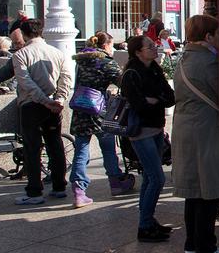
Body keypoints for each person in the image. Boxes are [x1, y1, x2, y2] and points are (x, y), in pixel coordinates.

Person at [171, 15, 219, 253]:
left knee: (195, 194)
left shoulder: (185, 59)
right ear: (208, 37)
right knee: (210, 194)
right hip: (207, 132)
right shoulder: (208, 62)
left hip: (188, 129)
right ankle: (206, 250)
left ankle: (192, 245)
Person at [68, 32, 135, 207]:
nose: (112, 49)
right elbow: (124, 82)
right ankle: (116, 182)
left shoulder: (81, 61)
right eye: (111, 45)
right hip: (99, 111)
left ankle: (78, 190)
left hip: (81, 109)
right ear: (105, 46)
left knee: (81, 150)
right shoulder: (105, 62)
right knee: (108, 148)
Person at [10, 19, 73, 205]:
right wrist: (59, 99)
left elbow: (25, 83)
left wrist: (45, 101)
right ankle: (59, 186)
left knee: (32, 148)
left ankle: (34, 192)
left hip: (32, 105)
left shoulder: (21, 54)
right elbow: (67, 78)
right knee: (55, 144)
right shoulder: (57, 53)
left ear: (24, 33)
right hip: (53, 105)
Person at [122, 34, 176, 241]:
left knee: (149, 177)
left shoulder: (155, 70)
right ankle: (144, 225)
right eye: (150, 47)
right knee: (157, 178)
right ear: (138, 52)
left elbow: (170, 97)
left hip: (156, 129)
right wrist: (151, 101)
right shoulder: (131, 74)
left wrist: (155, 100)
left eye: (154, 45)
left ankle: (148, 219)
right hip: (140, 132)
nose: (155, 49)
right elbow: (139, 104)